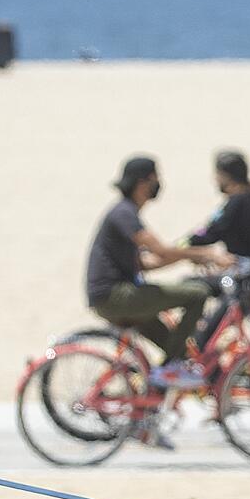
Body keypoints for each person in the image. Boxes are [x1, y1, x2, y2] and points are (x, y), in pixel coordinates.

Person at [85, 155, 235, 386]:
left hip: (114, 296)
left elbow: (147, 263)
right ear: (143, 182)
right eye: (156, 178)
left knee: (174, 344)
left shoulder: (125, 213)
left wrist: (188, 257)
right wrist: (203, 254)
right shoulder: (124, 214)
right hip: (116, 295)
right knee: (197, 294)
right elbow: (161, 251)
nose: (158, 184)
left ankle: (159, 388)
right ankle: (169, 369)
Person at [186, 150, 250, 290]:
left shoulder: (238, 202)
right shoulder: (245, 199)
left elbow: (212, 231)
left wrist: (184, 244)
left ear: (225, 176)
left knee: (192, 285)